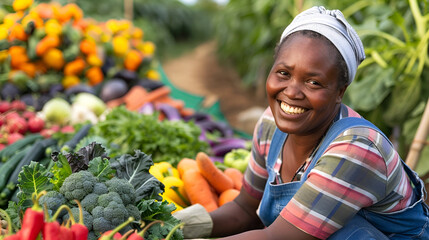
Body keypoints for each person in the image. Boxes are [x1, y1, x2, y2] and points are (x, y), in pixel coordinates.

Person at [173, 6, 429, 240]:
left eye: (313, 82)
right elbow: (244, 210)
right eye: (283, 73)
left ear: (340, 92)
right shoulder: (270, 124)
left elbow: (277, 238)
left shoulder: (356, 149)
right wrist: (171, 228)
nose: (292, 92)